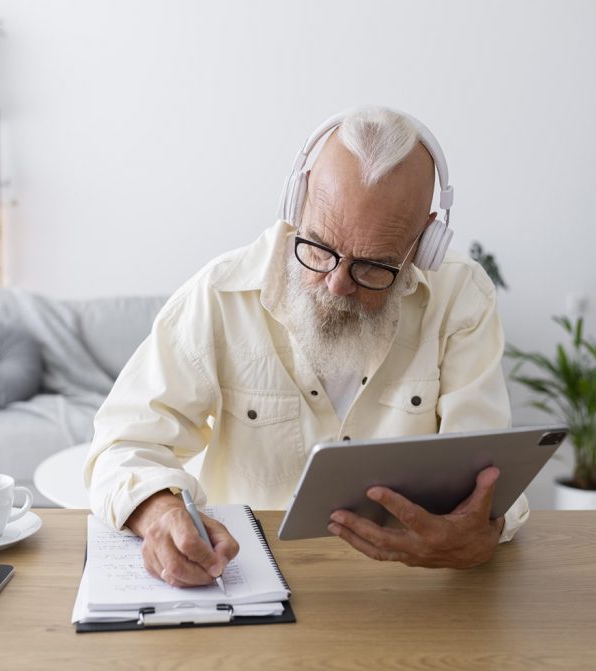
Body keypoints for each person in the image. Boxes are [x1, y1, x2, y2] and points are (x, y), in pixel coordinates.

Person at [84, 107, 529, 587]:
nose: (336, 284)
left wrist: (485, 528)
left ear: (423, 245)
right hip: (241, 585)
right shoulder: (219, 295)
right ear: (298, 201)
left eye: (374, 266)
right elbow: (122, 444)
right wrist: (158, 511)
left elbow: (487, 476)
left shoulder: (461, 297)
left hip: (408, 597)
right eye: (318, 247)